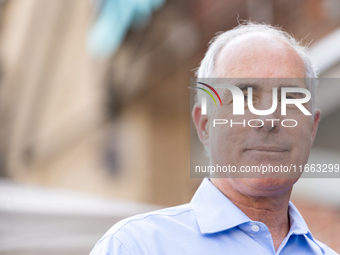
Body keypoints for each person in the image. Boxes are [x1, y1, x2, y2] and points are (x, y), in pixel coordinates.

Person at [90, 22, 338, 255]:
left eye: (289, 100)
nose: (269, 120)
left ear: (313, 127)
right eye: (245, 99)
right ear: (205, 125)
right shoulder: (136, 247)